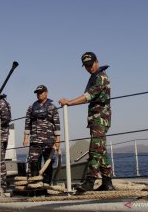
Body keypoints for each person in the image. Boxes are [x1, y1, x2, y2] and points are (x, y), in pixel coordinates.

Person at [59, 52, 114, 192]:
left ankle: (90, 181)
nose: (89, 68)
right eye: (87, 66)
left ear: (97, 61)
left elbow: (89, 96)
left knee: (95, 150)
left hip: (100, 119)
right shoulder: (94, 77)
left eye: (91, 65)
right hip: (96, 119)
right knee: (101, 151)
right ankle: (107, 183)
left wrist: (69, 102)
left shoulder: (101, 77)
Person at [23, 85, 60, 185]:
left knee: (48, 164)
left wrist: (58, 141)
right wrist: (26, 138)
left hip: (49, 141)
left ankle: (47, 186)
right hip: (35, 141)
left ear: (46, 92)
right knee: (34, 163)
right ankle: (35, 186)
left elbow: (57, 125)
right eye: (38, 93)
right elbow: (27, 124)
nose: (39, 95)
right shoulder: (31, 108)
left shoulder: (52, 107)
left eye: (41, 92)